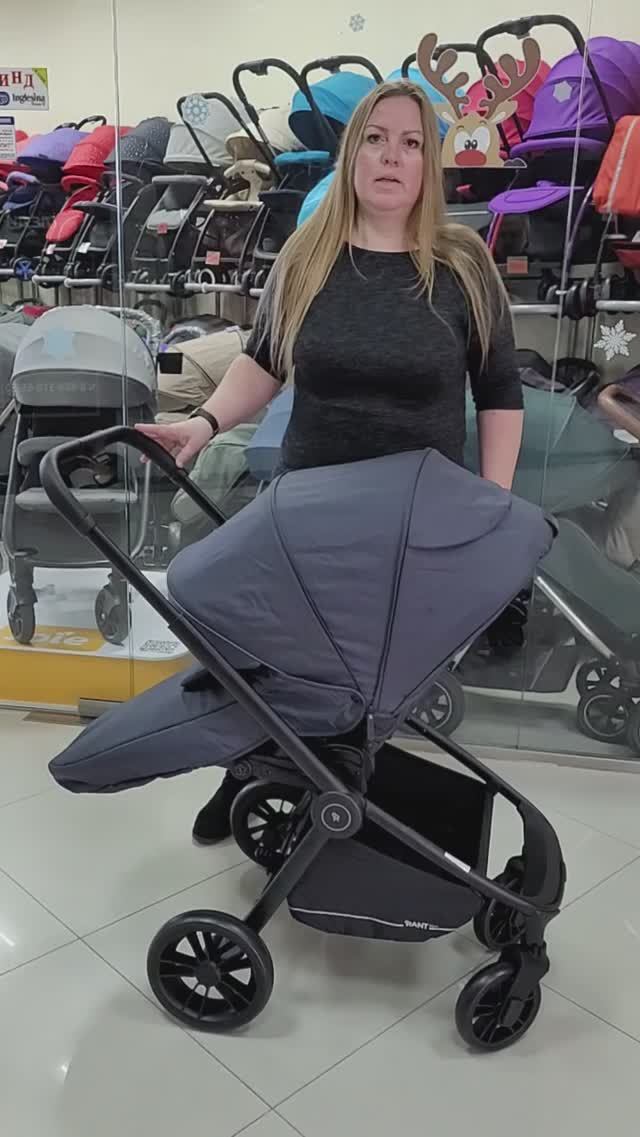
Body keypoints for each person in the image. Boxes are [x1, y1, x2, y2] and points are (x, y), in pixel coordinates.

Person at [137, 80, 524, 844]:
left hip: (415, 522)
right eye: (375, 139)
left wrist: (496, 510)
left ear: (429, 162)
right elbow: (265, 361)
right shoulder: (307, 256)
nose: (391, 156)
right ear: (353, 156)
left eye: (410, 143)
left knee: (359, 680)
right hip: (310, 513)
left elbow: (500, 392)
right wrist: (204, 421)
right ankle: (246, 771)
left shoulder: (464, 266)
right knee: (270, 654)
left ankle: (340, 799)